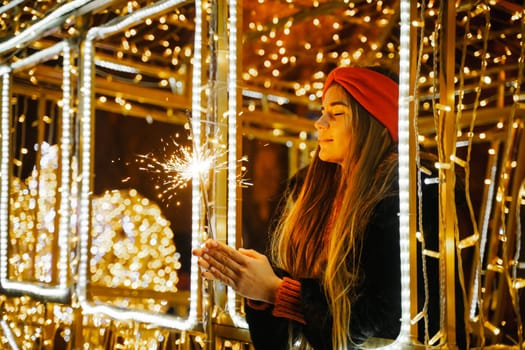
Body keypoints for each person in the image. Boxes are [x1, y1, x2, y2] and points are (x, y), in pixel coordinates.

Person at [193, 65, 402, 349]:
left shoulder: (397, 199)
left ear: (374, 123)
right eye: (323, 111)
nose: (320, 122)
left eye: (337, 114)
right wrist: (258, 288)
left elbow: (380, 322)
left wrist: (276, 290)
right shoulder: (311, 193)